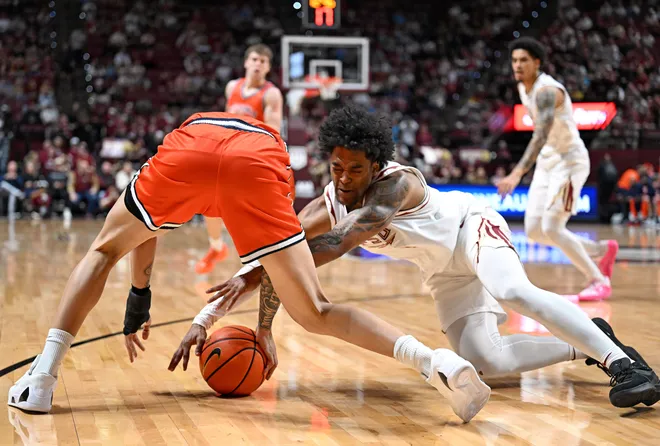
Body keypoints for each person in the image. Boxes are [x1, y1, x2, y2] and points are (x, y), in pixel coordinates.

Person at [8, 111, 490, 424]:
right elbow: (270, 268)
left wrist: (140, 298)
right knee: (316, 310)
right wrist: (262, 327)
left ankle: (42, 380)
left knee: (101, 250)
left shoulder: (192, 127)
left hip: (188, 151)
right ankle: (437, 363)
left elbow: (144, 233)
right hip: (256, 166)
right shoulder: (274, 148)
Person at [173, 105, 660, 411]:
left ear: (377, 166)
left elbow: (323, 248)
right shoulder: (327, 201)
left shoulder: (396, 186)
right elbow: (286, 260)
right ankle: (591, 340)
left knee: (513, 290)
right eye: (337, 166)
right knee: (487, 359)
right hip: (443, 270)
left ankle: (624, 365)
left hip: (473, 229)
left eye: (355, 169)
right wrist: (243, 317)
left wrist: (257, 271)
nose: (343, 178)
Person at [496, 37, 618, 301]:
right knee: (533, 230)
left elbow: (540, 135)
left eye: (523, 60)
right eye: (514, 60)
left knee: (552, 227)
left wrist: (517, 173)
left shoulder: (547, 92)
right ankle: (599, 251)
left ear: (537, 62)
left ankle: (599, 280)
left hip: (569, 162)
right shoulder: (522, 87)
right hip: (547, 161)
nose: (517, 65)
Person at [195, 44, 284, 275]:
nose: (258, 64)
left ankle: (269, 261)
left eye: (263, 61)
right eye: (254, 59)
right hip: (228, 154)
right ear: (246, 62)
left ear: (268, 67)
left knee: (254, 215)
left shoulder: (271, 94)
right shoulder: (232, 87)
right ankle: (216, 247)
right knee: (209, 202)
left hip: (254, 156)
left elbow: (273, 132)